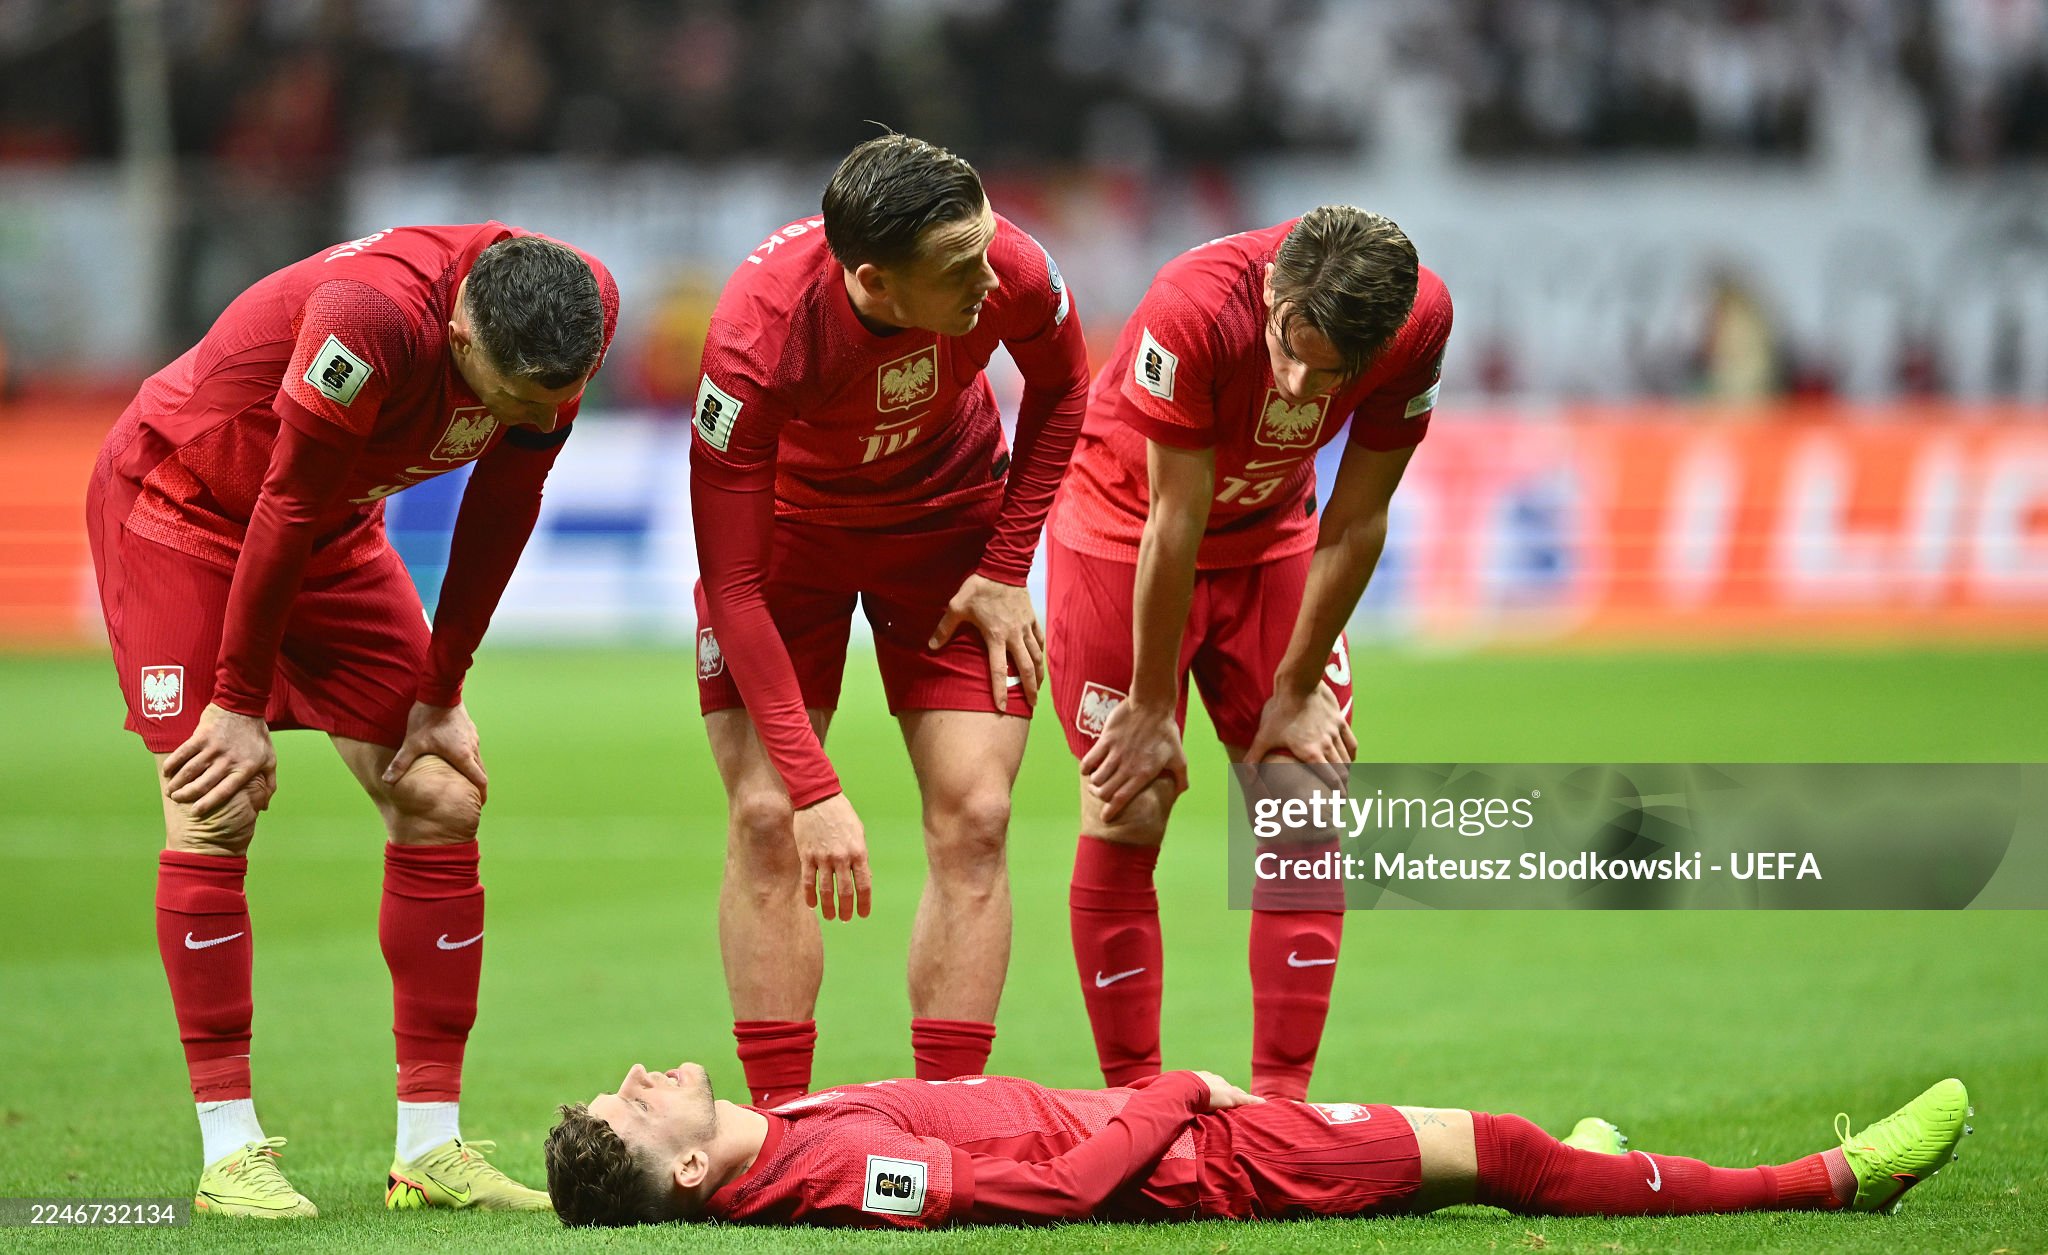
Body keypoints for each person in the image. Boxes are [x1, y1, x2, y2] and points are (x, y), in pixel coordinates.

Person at [86, 223, 619, 1217]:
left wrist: (442, 691)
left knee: (438, 790)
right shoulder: (370, 320)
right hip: (188, 510)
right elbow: (279, 502)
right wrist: (237, 705)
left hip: (332, 529)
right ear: (460, 332)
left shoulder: (572, 309)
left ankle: (430, 1143)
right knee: (216, 801)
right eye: (511, 399)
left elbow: (510, 497)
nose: (532, 417)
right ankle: (227, 1147)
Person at [689, 133, 1091, 1104]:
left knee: (978, 816)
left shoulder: (1013, 271)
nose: (989, 282)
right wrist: (816, 786)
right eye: (959, 270)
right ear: (873, 281)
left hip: (946, 527)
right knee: (765, 816)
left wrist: (1005, 565)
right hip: (788, 543)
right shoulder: (758, 341)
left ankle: (945, 1116)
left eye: (989, 247)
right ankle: (782, 1129)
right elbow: (733, 585)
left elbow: (1065, 386)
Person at [1045, 207, 1451, 1098]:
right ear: (1272, 292)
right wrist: (1151, 708)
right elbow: (1171, 521)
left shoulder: (1420, 322)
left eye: (1329, 372)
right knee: (1129, 799)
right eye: (1288, 348)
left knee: (1301, 791)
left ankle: (1281, 1107)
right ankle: (1133, 1104)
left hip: (1273, 536)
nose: (1302, 385)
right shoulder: (1191, 309)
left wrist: (1300, 687)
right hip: (1123, 534)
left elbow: (1357, 519)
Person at [543, 1060, 1972, 1228]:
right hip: (1200, 1160)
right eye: (632, 1105)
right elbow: (1050, 1189)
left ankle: (1573, 1167)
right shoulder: (834, 1177)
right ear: (682, 1168)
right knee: (1502, 1137)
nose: (634, 1072)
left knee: (1464, 1145)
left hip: (1186, 1138)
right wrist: (1169, 1095)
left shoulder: (781, 1134)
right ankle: (1841, 1178)